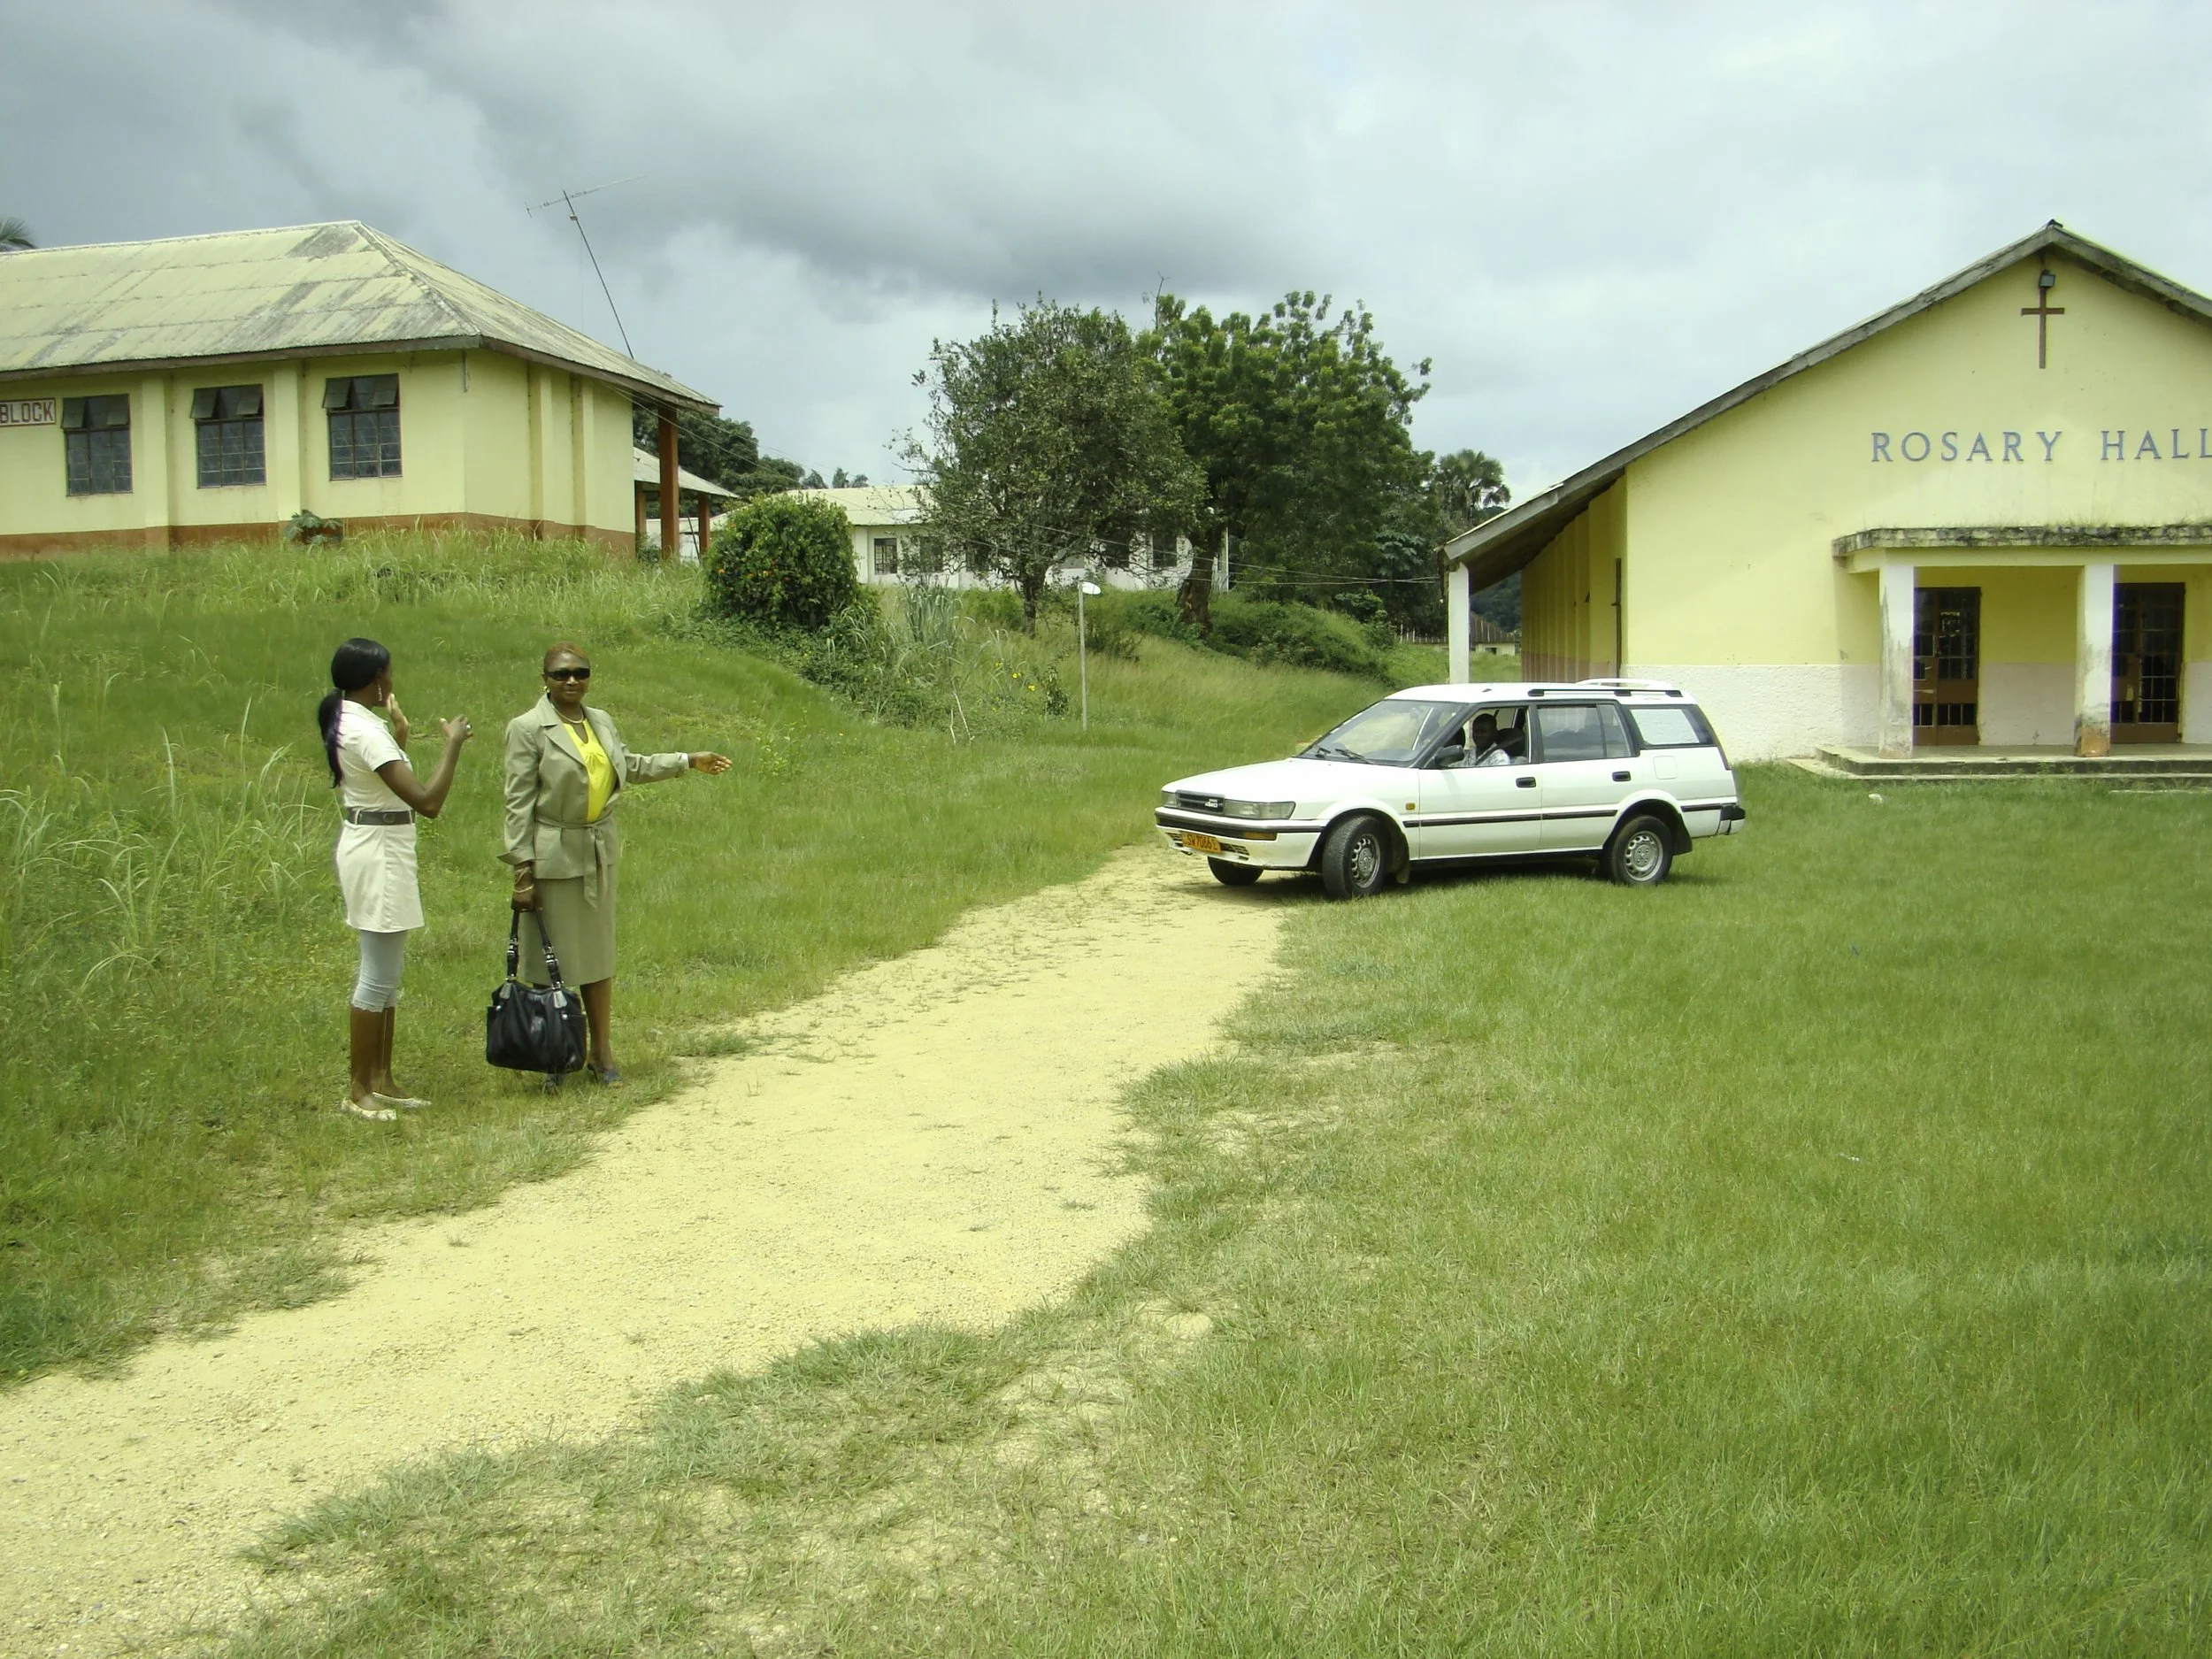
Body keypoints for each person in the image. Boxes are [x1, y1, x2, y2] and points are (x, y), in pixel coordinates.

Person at [503, 643, 731, 1088]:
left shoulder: (600, 721)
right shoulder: (528, 728)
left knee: (598, 957)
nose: (572, 680)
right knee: (551, 960)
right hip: (553, 856)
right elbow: (517, 803)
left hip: (597, 853)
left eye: (580, 672)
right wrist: (523, 873)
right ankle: (555, 1055)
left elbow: (629, 766)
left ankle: (600, 1052)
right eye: (561, 674)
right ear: (544, 679)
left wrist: (687, 760)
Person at [318, 637, 472, 1122]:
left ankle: (380, 1080)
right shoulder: (366, 731)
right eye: (389, 671)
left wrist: (400, 734)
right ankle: (358, 1089)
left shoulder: (354, 720)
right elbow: (427, 802)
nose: (392, 678)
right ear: (377, 679)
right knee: (377, 977)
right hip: (379, 853)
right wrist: (452, 744)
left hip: (377, 844)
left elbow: (382, 784)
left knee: (387, 977)